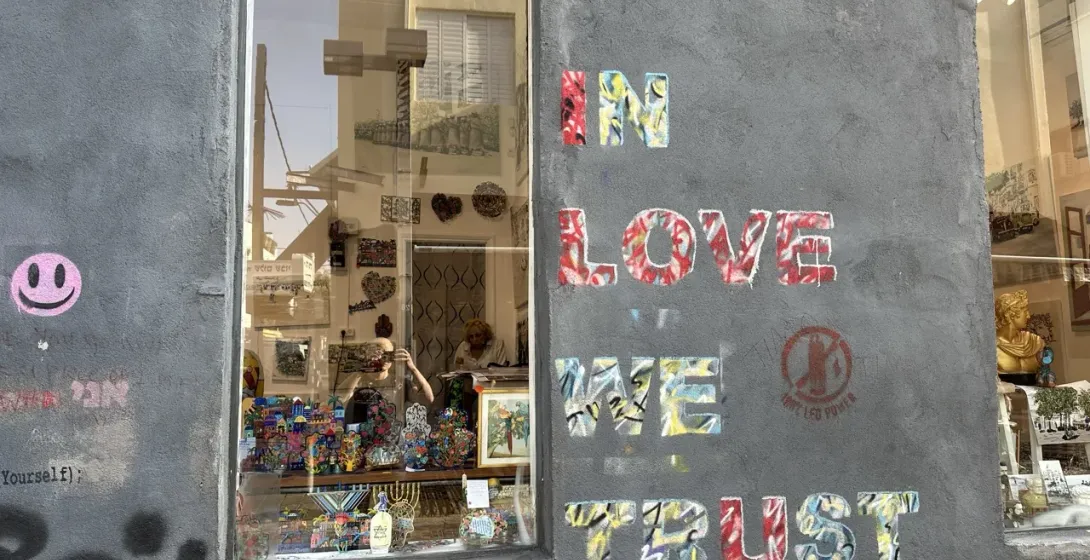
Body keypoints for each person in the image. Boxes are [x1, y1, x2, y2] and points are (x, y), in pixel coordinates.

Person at [336, 337, 434, 404]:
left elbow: (429, 398)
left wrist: (413, 368)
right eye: (376, 353)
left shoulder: (399, 382)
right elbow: (336, 402)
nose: (382, 358)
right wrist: (362, 367)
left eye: (387, 354)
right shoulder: (357, 380)